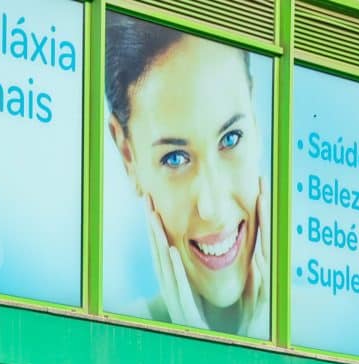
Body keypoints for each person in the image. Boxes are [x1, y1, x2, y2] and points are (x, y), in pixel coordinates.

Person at [104, 15, 270, 339]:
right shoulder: (112, 337)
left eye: (231, 138)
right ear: (128, 154)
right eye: (175, 158)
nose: (213, 208)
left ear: (255, 113)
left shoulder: (328, 334)